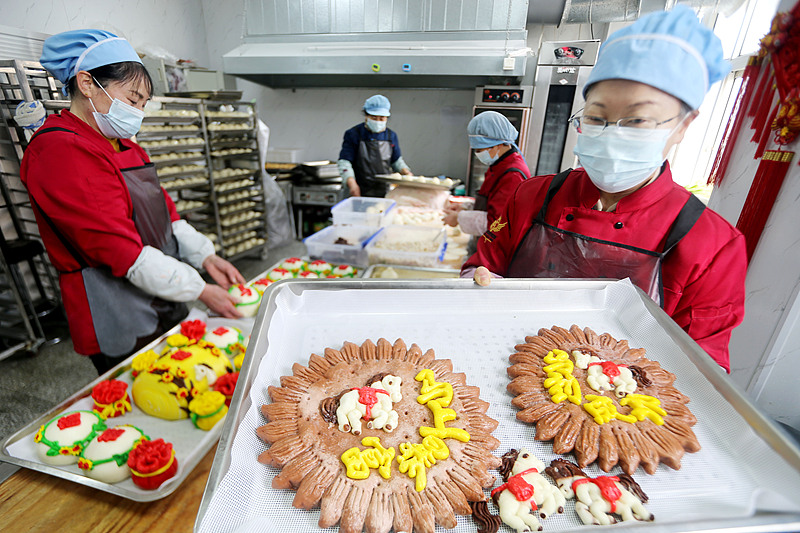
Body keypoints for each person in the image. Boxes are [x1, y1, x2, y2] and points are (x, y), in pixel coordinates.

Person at [462, 6, 747, 372]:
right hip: (504, 366)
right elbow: (480, 267)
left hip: (620, 410)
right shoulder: (531, 196)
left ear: (682, 126)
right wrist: (482, 284)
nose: (612, 133)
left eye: (637, 119)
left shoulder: (711, 245)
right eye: (597, 117)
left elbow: (701, 374)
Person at [21, 29, 245, 374]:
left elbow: (165, 212)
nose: (138, 112)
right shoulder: (60, 151)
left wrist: (206, 256)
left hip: (160, 288)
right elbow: (117, 250)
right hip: (116, 305)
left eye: (143, 104)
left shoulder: (123, 144)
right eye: (132, 99)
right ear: (87, 83)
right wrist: (199, 289)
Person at [443, 111, 530, 241]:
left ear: (498, 144)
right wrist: (466, 208)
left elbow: (497, 224)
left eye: (480, 150)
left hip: (497, 248)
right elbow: (493, 204)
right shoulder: (500, 165)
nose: (478, 155)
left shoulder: (513, 175)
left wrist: (459, 218)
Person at [337, 95, 413, 197]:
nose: (378, 121)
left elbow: (396, 161)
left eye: (381, 118)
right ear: (366, 116)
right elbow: (345, 162)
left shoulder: (391, 136)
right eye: (374, 118)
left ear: (387, 118)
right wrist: (352, 184)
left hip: (383, 191)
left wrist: (406, 173)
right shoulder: (354, 134)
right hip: (358, 189)